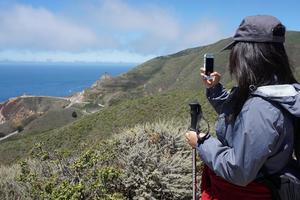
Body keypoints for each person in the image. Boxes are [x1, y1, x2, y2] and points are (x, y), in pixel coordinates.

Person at [185, 15, 300, 200]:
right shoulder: (278, 90)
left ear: (249, 56)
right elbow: (236, 115)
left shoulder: (261, 109)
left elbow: (238, 170)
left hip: (243, 192)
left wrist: (202, 143)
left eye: (236, 52)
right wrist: (213, 88)